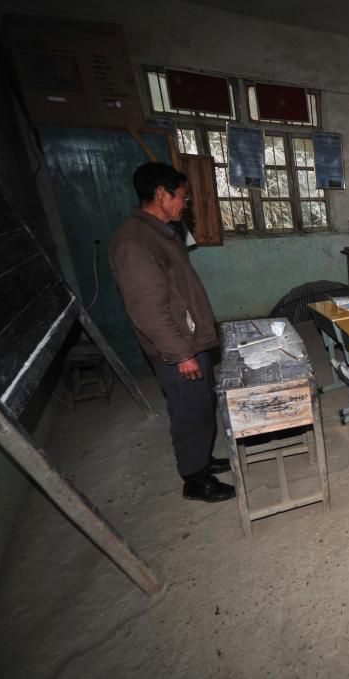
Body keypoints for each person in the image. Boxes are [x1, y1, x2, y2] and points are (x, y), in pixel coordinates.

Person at [110, 162, 234, 503]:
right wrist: (181, 355)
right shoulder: (135, 242)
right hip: (178, 349)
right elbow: (148, 310)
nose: (185, 203)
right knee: (188, 411)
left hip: (189, 341)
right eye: (182, 196)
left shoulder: (161, 233)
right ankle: (195, 480)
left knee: (201, 406)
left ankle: (201, 460)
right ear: (161, 194)